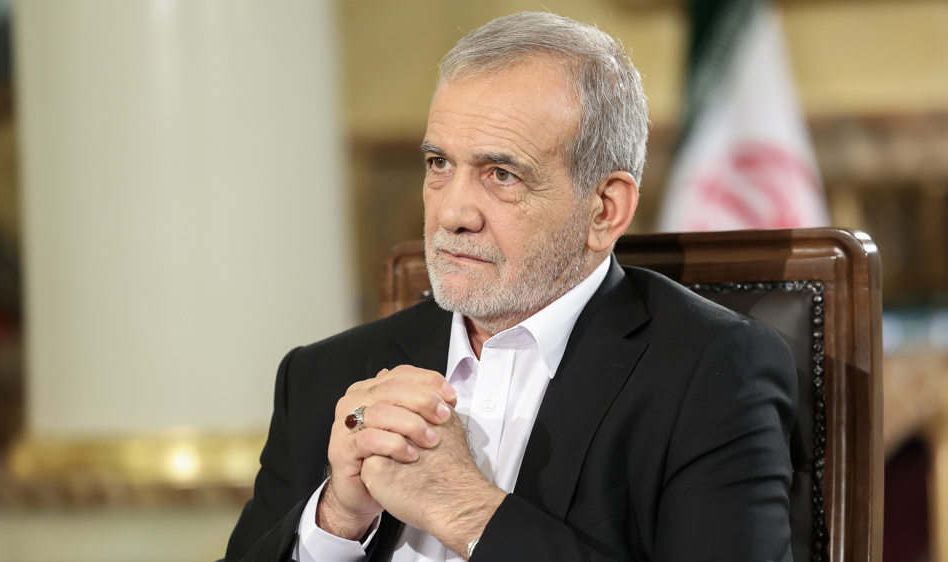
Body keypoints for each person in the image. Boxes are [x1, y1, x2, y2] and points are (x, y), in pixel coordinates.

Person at [225, 11, 797, 562]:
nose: (451, 213)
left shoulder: (713, 375)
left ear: (604, 209)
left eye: (502, 174)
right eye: (438, 164)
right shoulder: (323, 377)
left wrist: (468, 509)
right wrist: (334, 524)